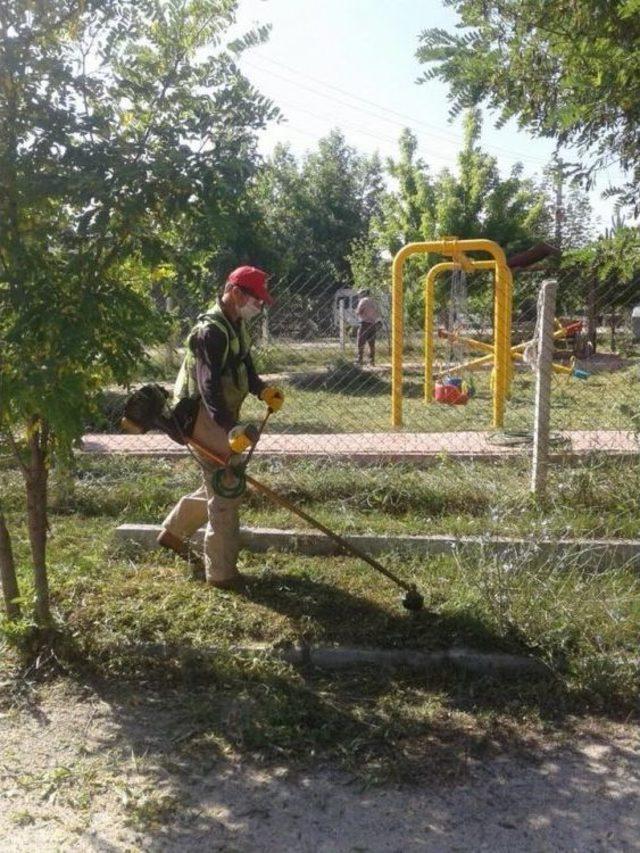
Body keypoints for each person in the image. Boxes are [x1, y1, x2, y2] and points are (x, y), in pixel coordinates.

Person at [157, 266, 284, 590]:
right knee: (227, 487)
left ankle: (174, 533)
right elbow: (209, 385)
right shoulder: (209, 332)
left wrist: (262, 390)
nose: (260, 306)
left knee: (218, 481)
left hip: (221, 413)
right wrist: (229, 428)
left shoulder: (236, 324)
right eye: (257, 300)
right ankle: (222, 574)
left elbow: (247, 367)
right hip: (202, 414)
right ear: (237, 293)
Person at [355, 288, 380, 366]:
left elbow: (358, 312)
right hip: (373, 324)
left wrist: (355, 311)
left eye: (359, 294)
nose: (358, 295)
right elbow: (377, 312)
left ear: (363, 294)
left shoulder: (363, 301)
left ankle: (359, 360)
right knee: (371, 344)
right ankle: (372, 361)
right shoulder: (373, 301)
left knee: (360, 342)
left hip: (364, 324)